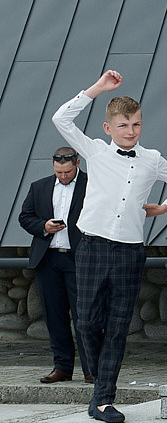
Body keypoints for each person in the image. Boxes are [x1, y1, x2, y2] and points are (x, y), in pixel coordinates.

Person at [50, 72, 167, 423]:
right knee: (85, 322)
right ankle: (99, 377)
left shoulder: (152, 158)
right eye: (124, 125)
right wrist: (96, 88)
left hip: (129, 250)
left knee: (117, 327)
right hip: (93, 246)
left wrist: (164, 208)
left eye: (137, 124)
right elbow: (60, 118)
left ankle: (102, 399)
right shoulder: (94, 150)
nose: (131, 130)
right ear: (108, 128)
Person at [19, 146, 88, 384]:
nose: (63, 176)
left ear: (77, 164)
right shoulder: (39, 187)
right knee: (53, 315)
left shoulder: (91, 184)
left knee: (84, 316)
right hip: (47, 258)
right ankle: (62, 367)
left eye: (67, 171)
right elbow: (24, 216)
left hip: (79, 258)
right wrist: (43, 226)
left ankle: (91, 369)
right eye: (59, 172)